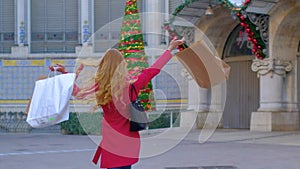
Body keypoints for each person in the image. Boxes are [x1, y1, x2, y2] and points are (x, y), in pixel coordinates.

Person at [51, 37, 185, 169]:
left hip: (111, 142)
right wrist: (169, 49)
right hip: (128, 141)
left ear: (103, 66)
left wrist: (65, 74)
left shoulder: (101, 88)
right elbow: (153, 70)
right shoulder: (131, 86)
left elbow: (78, 93)